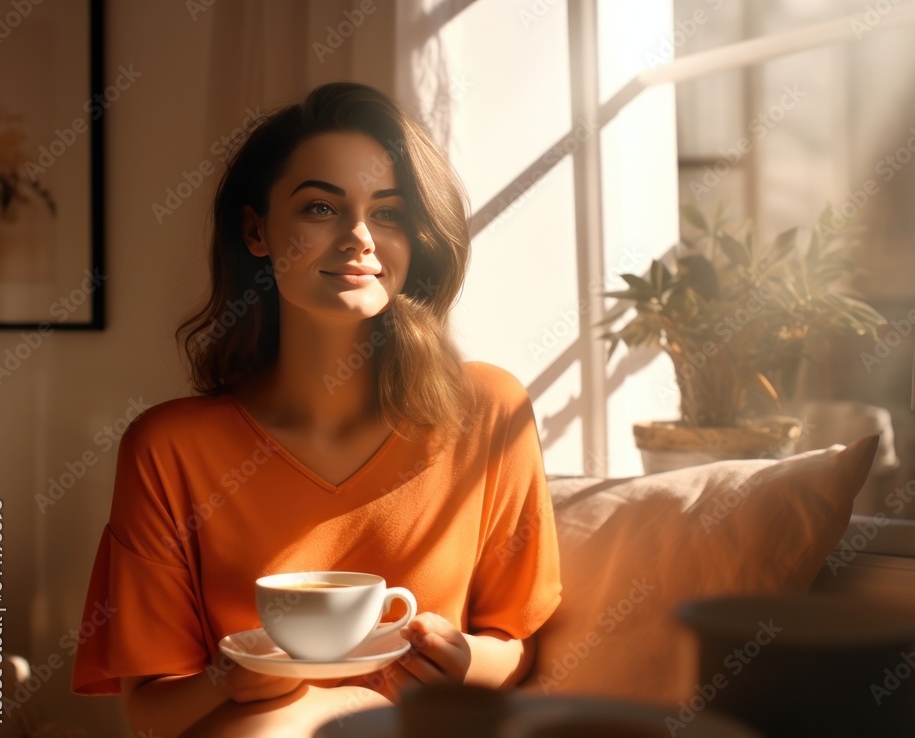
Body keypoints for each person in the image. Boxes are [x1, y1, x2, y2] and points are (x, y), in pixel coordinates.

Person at [71, 82, 562, 737]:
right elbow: (153, 711)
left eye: (388, 213)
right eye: (320, 208)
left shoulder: (492, 412)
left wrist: (465, 659)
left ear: (417, 239)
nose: (360, 237)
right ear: (256, 232)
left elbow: (516, 640)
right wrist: (233, 679)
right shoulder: (167, 448)